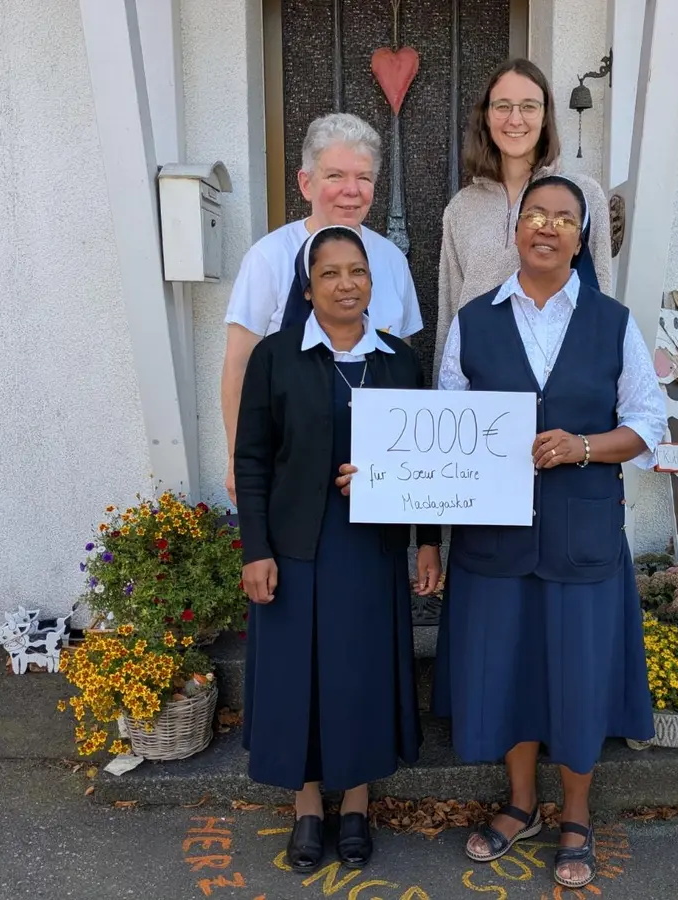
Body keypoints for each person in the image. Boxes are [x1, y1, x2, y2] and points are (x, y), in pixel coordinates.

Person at [431, 176, 664, 890]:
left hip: (581, 536)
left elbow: (647, 424)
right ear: (515, 229)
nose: (547, 226)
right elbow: (444, 428)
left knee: (579, 678)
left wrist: (584, 446)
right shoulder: (473, 321)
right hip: (495, 543)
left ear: (581, 238)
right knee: (510, 674)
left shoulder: (613, 322)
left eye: (565, 218)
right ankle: (522, 804)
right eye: (535, 213)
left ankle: (577, 815)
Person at [234, 225, 443, 875]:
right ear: (308, 287)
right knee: (299, 678)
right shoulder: (275, 357)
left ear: (372, 283)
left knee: (360, 675)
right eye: (330, 273)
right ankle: (306, 807)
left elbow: (427, 462)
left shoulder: (399, 361)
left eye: (357, 272)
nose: (346, 284)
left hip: (369, 548)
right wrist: (255, 549)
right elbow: (252, 458)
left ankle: (355, 804)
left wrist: (428, 543)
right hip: (294, 546)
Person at [223, 113, 424, 504]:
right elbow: (238, 366)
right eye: (335, 176)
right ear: (306, 183)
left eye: (363, 177)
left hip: (373, 473)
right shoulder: (268, 257)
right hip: (289, 466)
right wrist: (236, 459)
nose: (352, 190)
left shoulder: (391, 260)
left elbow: (402, 365)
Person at [433, 58, 614, 381]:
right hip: (484, 380)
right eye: (502, 106)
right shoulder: (461, 208)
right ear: (486, 116)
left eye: (529, 106)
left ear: (545, 117)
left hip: (561, 378)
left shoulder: (583, 195)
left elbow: (602, 297)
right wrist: (444, 394)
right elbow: (450, 314)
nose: (515, 119)